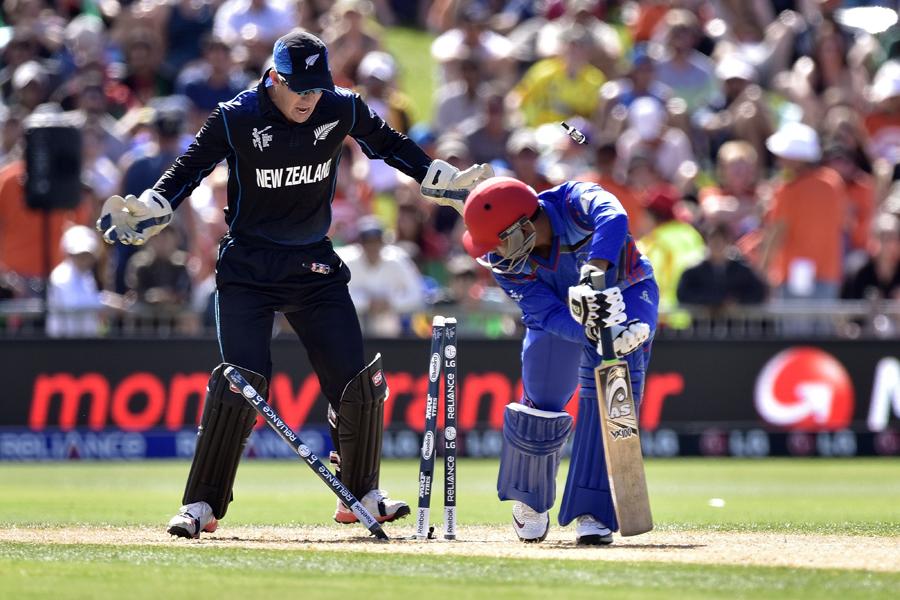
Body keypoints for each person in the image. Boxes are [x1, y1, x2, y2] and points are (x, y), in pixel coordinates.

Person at [96, 30, 492, 538]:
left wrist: (440, 176)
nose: (309, 99)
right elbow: (189, 168)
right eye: (299, 88)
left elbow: (391, 145)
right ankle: (202, 505)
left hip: (312, 264)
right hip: (248, 269)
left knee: (358, 378)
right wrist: (152, 206)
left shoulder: (339, 106)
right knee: (240, 379)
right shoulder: (236, 116)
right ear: (275, 78)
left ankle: (359, 493)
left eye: (316, 88)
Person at [461, 176, 658, 545]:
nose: (494, 251)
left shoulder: (572, 201)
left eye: (499, 240)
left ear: (522, 227)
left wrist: (596, 270)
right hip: (557, 317)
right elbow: (549, 315)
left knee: (613, 398)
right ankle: (530, 498)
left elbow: (614, 216)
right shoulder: (503, 263)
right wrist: (592, 332)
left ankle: (594, 510)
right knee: (542, 401)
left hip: (627, 289)